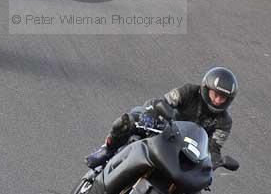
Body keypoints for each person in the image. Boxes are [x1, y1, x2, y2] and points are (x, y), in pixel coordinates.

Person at [86, 67, 239, 183]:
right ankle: (106, 151)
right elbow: (164, 102)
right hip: (164, 131)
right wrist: (153, 116)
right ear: (207, 89)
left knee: (195, 191)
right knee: (127, 122)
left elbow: (214, 147)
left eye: (223, 98)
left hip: (186, 153)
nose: (218, 100)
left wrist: (213, 165)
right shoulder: (188, 91)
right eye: (216, 94)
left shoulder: (224, 122)